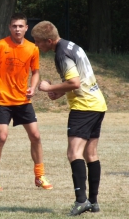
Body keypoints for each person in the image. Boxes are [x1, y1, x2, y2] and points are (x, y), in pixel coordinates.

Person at [31, 21, 107, 216]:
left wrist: (49, 87)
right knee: (91, 154)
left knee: (74, 153)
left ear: (49, 41)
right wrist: (59, 92)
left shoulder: (61, 53)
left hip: (84, 107)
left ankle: (81, 201)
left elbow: (74, 82)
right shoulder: (71, 46)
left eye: (38, 42)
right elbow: (78, 79)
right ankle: (94, 201)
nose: (36, 46)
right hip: (97, 103)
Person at [0, 13, 53, 191]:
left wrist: (33, 86)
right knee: (1, 137)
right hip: (2, 100)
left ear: (26, 28)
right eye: (14, 26)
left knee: (36, 136)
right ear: (9, 27)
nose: (17, 29)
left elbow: (35, 71)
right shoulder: (0, 45)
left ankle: (39, 176)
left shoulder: (32, 48)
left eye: (20, 26)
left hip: (23, 100)